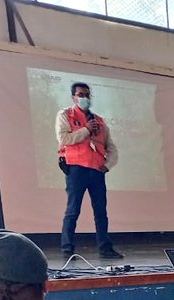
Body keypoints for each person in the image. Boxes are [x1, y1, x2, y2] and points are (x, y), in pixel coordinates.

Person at [57, 82, 124, 260]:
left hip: (96, 170)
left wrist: (107, 165)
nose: (84, 98)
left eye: (87, 95)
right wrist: (86, 130)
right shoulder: (66, 115)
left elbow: (111, 147)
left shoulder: (99, 121)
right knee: (73, 210)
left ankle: (105, 248)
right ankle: (67, 249)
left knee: (101, 212)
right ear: (73, 97)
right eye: (80, 95)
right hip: (76, 169)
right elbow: (64, 139)